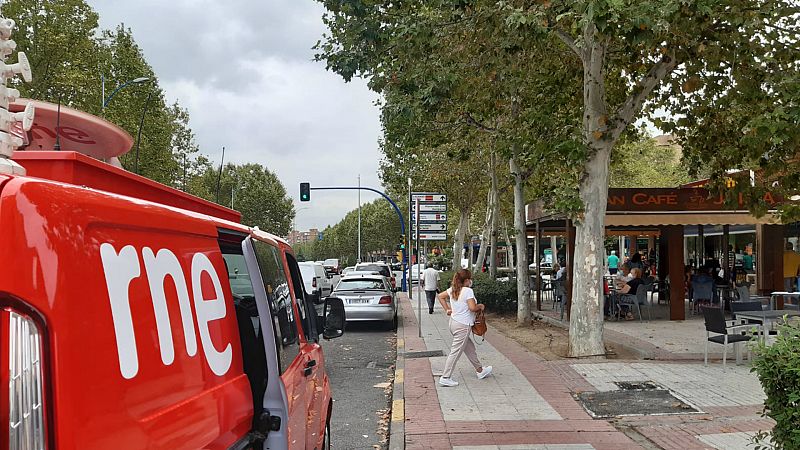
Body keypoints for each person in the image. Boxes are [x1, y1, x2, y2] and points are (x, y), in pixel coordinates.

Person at [436, 269, 492, 387]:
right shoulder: (467, 291)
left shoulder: (453, 289)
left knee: (469, 348)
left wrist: (447, 309)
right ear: (466, 280)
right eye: (470, 279)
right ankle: (445, 377)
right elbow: (472, 308)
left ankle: (480, 370)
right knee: (455, 352)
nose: (471, 281)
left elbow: (440, 296)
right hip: (463, 326)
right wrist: (480, 306)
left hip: (454, 323)